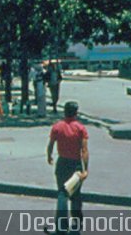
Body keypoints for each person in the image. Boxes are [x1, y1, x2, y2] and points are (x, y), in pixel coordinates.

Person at [46, 101, 89, 235]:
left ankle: (61, 228)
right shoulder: (80, 128)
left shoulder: (57, 127)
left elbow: (51, 144)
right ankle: (76, 226)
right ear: (76, 113)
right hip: (75, 165)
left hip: (62, 163)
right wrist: (85, 169)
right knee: (75, 196)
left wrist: (49, 156)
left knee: (62, 194)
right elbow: (84, 150)